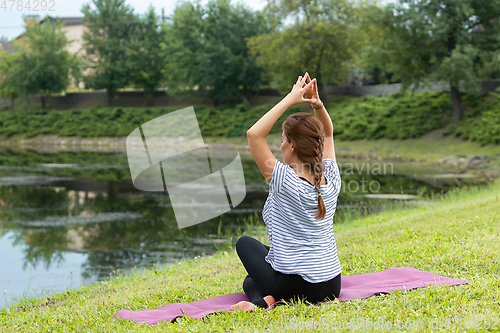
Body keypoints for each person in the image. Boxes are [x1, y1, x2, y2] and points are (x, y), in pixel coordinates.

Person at [230, 72, 342, 312]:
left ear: (291, 144)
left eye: (282, 140)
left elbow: (253, 135)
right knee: (253, 277)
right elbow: (329, 133)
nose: (279, 146)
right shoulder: (331, 178)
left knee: (245, 245)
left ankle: (263, 302)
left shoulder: (284, 181)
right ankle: (270, 299)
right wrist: (318, 105)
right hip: (333, 284)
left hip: (302, 287)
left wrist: (291, 99)